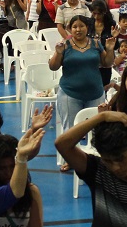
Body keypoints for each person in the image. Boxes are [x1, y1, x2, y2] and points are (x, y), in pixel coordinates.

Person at [49, 15, 117, 173]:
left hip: (95, 93)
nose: (78, 29)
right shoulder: (64, 45)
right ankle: (71, 160)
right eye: (74, 27)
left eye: (81, 26)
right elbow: (53, 67)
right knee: (71, 128)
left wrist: (110, 49)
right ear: (69, 29)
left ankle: (99, 159)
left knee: (98, 129)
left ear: (87, 28)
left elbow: (107, 63)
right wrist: (58, 53)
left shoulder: (95, 44)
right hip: (70, 94)